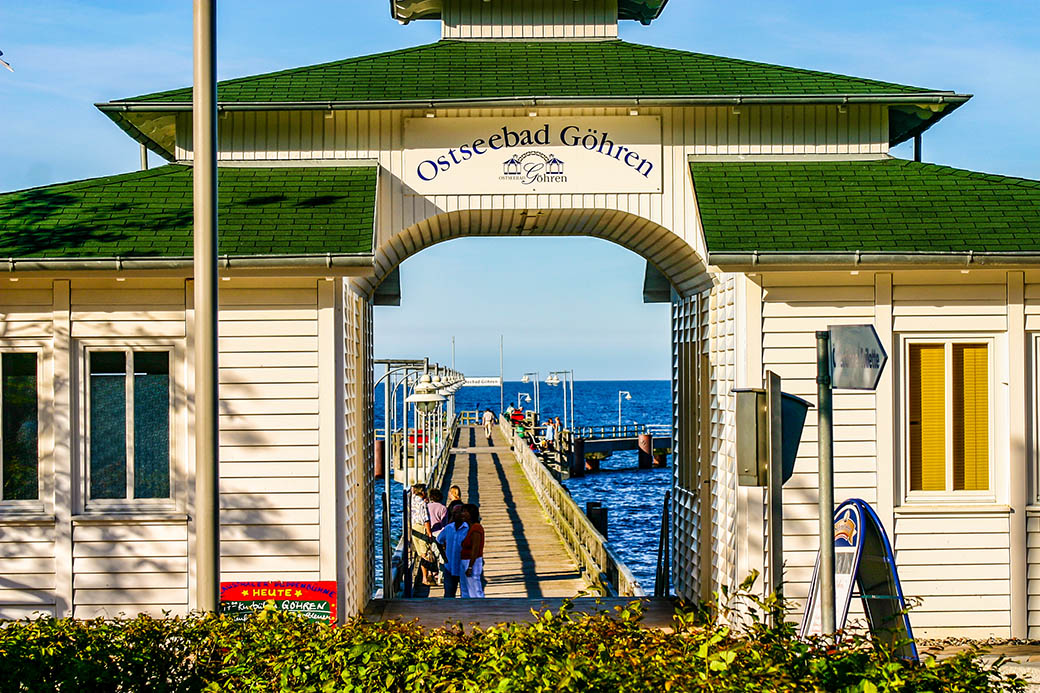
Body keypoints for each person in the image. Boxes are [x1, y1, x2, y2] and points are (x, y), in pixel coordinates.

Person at [437, 503, 469, 598]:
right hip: (449, 566)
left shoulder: (467, 529)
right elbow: (439, 540)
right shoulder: (448, 528)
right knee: (449, 595)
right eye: (453, 513)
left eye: (457, 513)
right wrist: (444, 556)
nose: (454, 515)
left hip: (463, 567)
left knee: (466, 594)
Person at [409, 484, 437, 587]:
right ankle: (426, 577)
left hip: (413, 527)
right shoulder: (422, 503)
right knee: (426, 553)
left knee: (420, 553)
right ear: (423, 492)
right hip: (421, 528)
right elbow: (426, 519)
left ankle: (426, 576)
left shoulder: (411, 500)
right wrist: (429, 533)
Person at [459, 503, 485, 598]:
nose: (462, 514)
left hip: (471, 561)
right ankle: (467, 608)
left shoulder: (476, 528)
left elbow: (475, 548)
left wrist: (470, 566)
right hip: (465, 560)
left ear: (471, 514)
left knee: (474, 588)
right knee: (466, 588)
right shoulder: (469, 528)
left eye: (464, 511)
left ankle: (478, 607)